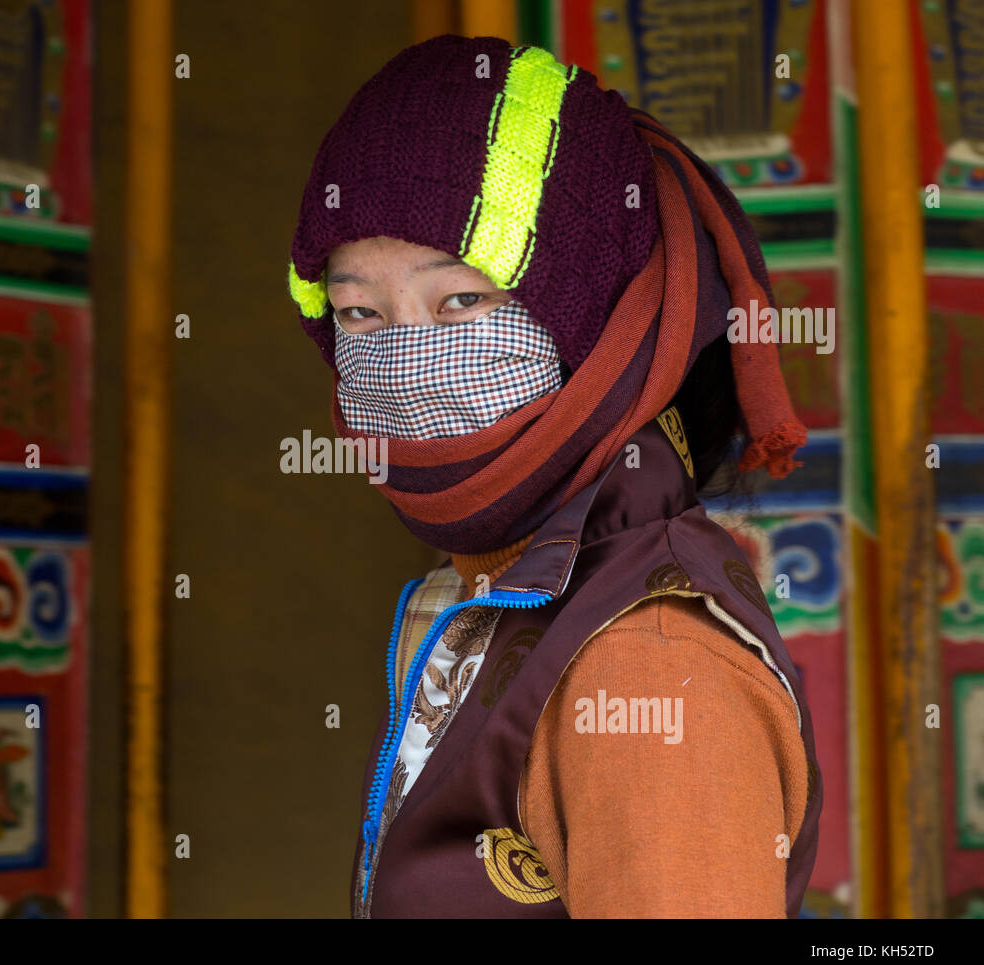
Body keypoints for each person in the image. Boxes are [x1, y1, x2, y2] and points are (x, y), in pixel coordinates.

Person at [285, 35, 822, 918]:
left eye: (462, 300)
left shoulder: (647, 668)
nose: (409, 359)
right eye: (358, 312)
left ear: (598, 322)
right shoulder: (493, 595)